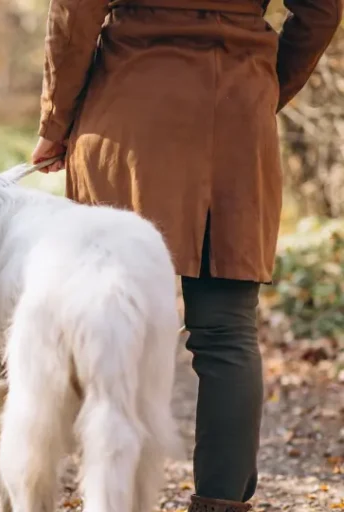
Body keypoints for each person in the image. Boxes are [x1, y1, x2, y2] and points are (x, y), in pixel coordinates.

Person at [29, 0, 343, 510]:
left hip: (131, 106)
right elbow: (322, 9)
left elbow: (75, 10)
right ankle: (220, 503)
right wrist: (264, 86)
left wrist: (55, 120)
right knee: (226, 331)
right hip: (239, 115)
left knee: (110, 319)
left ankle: (113, 496)